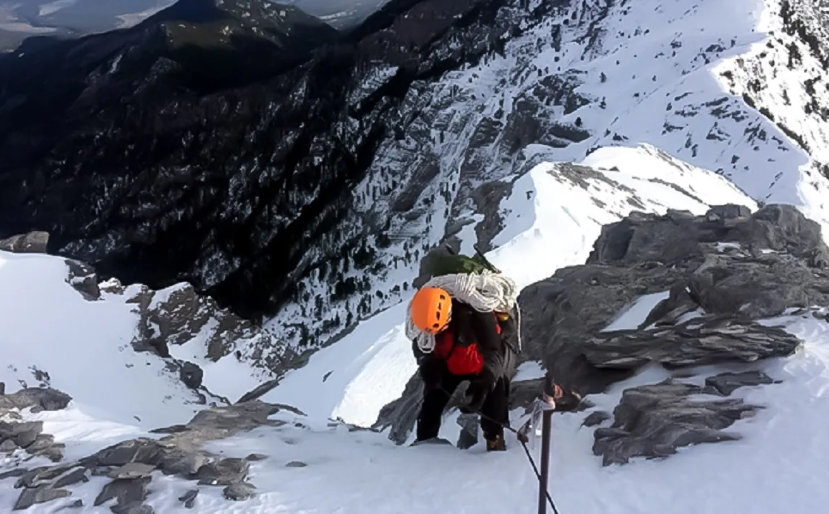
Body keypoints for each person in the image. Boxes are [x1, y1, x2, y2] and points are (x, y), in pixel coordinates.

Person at [409, 286, 518, 451]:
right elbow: (421, 348)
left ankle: (494, 438)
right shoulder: (423, 320)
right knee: (432, 398)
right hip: (451, 362)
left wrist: (485, 381)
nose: (436, 333)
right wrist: (427, 364)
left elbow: (494, 352)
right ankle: (424, 441)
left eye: (441, 328)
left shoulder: (479, 315)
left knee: (495, 393)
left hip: (482, 362)